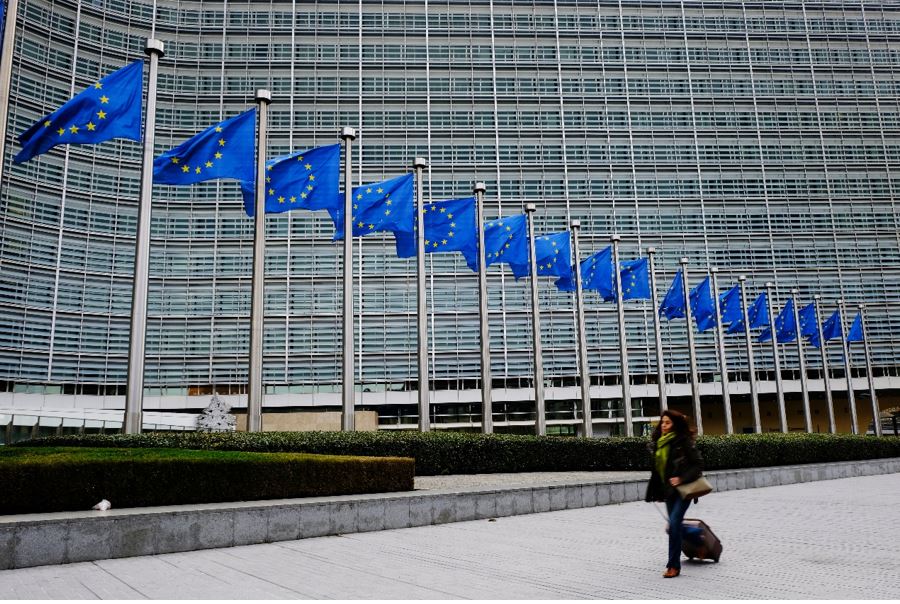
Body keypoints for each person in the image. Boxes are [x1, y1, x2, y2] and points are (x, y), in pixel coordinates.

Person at [645, 409, 703, 578]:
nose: (664, 426)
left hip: (684, 490)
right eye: (662, 422)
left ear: (675, 425)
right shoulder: (658, 443)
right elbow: (658, 471)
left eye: (668, 423)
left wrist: (681, 478)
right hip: (668, 491)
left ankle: (673, 566)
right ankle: (699, 541)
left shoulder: (683, 441)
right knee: (674, 526)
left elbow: (698, 464)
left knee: (674, 523)